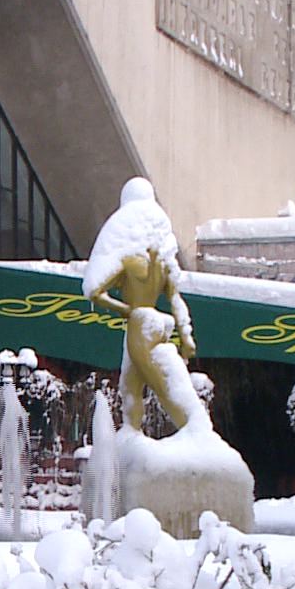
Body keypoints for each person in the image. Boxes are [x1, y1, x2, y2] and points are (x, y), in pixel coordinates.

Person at [82, 177, 208, 433]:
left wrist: (128, 311)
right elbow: (175, 298)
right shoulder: (162, 258)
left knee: (162, 388)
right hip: (161, 323)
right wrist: (186, 336)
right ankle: (132, 437)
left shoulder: (129, 256)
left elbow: (94, 291)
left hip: (140, 322)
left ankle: (198, 432)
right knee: (129, 387)